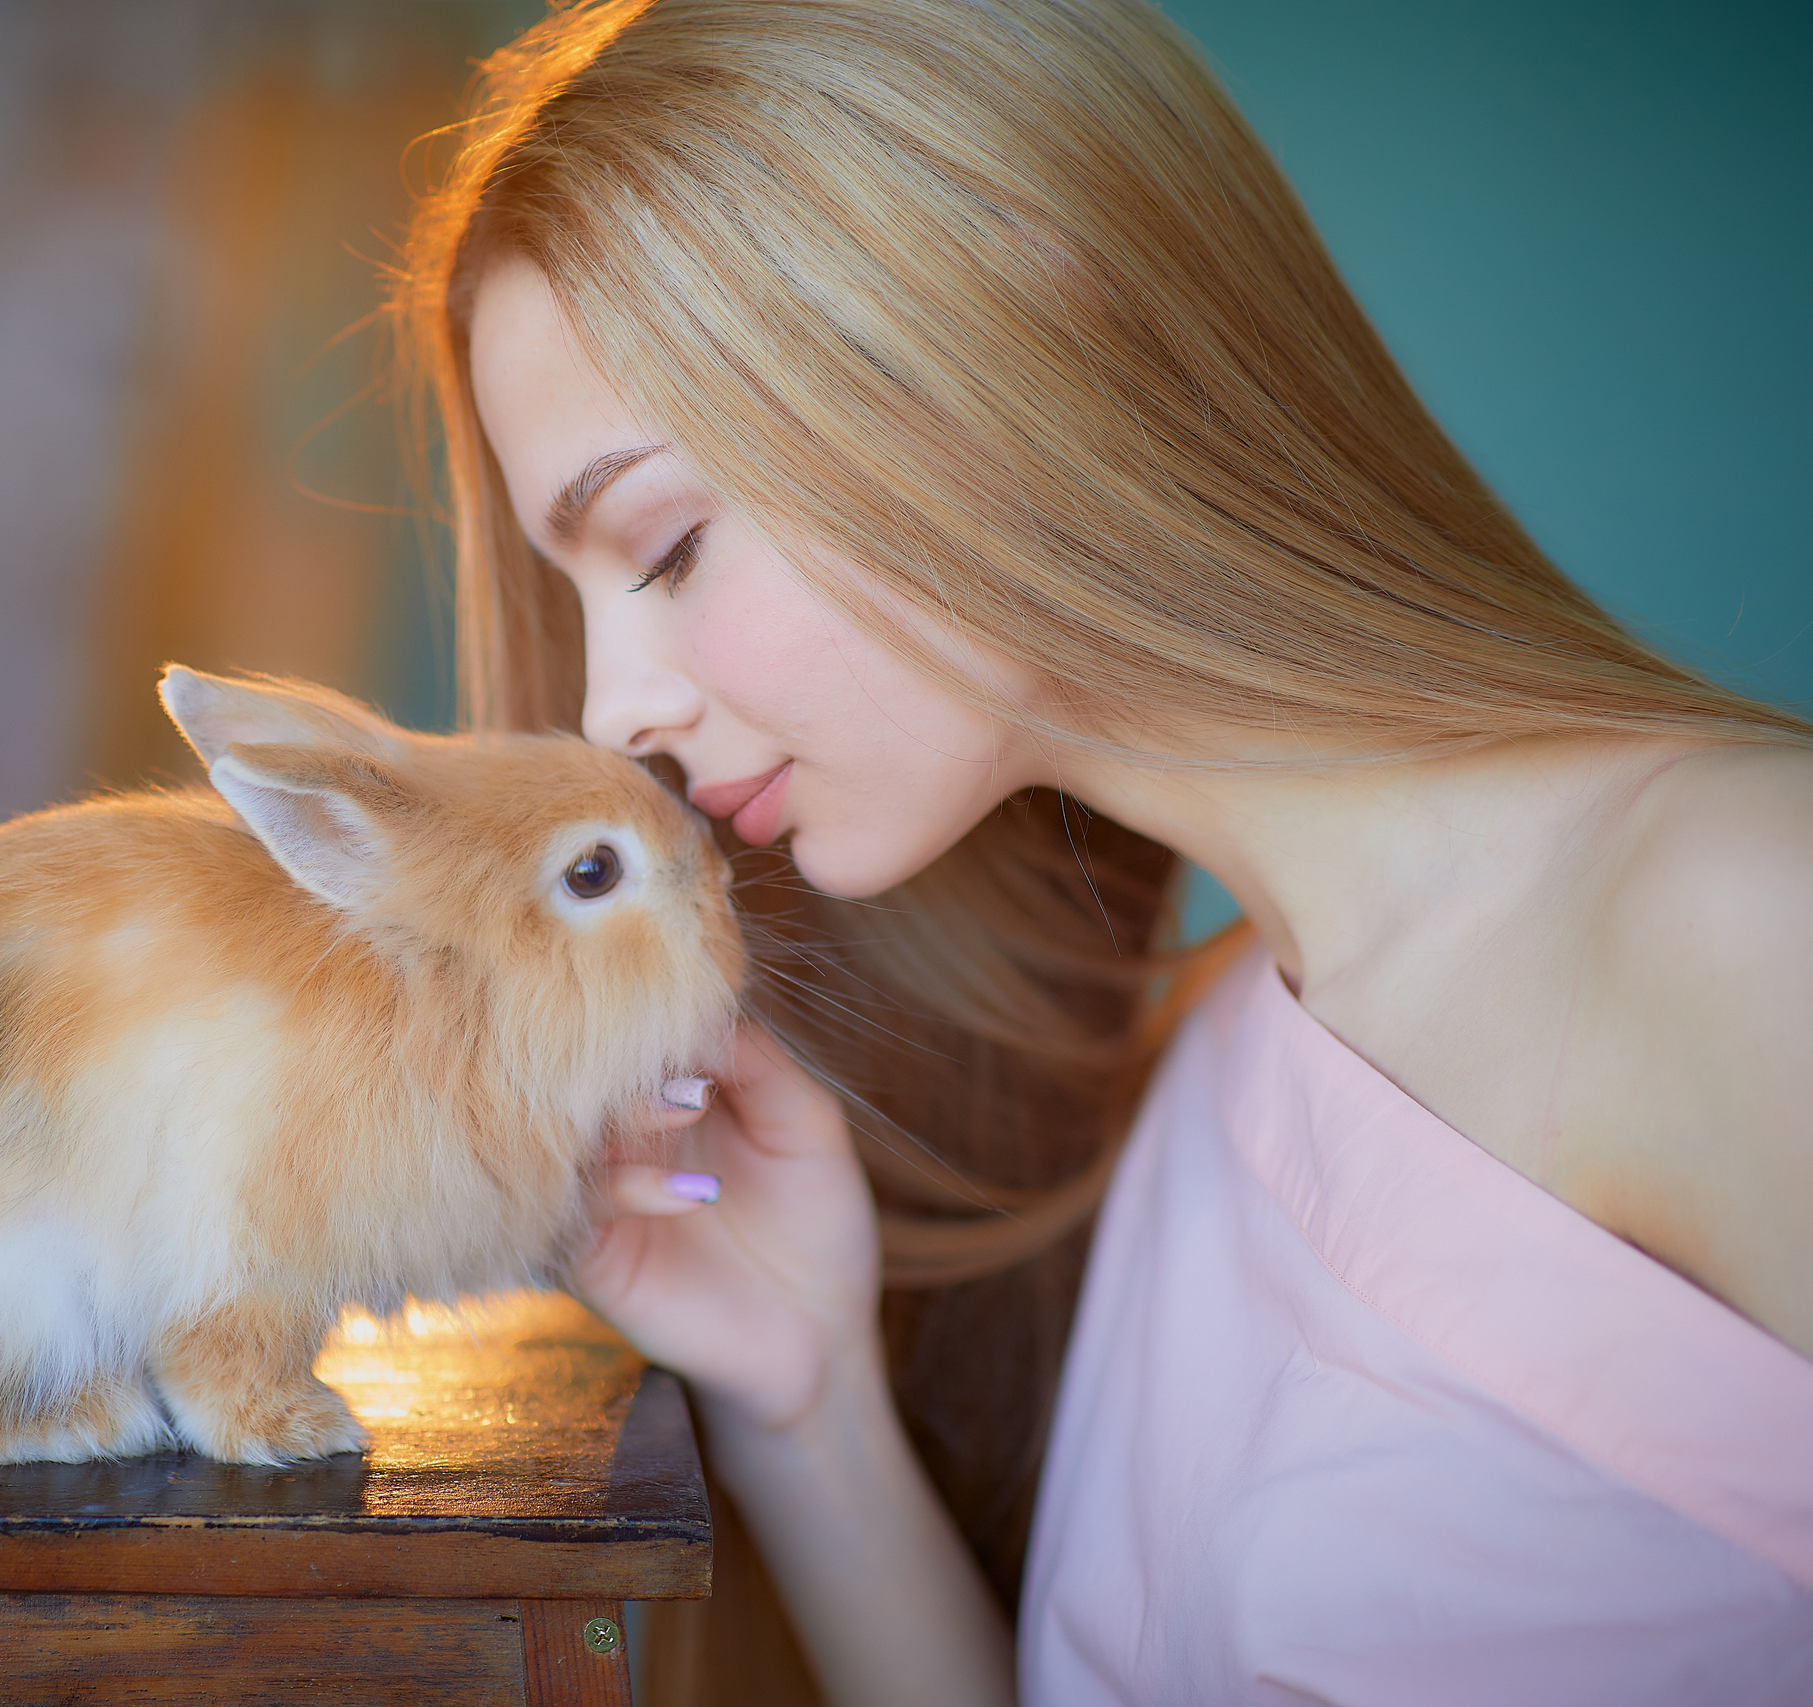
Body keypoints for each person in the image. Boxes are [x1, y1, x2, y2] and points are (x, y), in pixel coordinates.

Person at [389, 1, 1813, 1701]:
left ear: (1012, 316)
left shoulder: (1745, 918)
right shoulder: (1195, 1066)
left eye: (668, 543)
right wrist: (811, 1403)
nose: (616, 712)